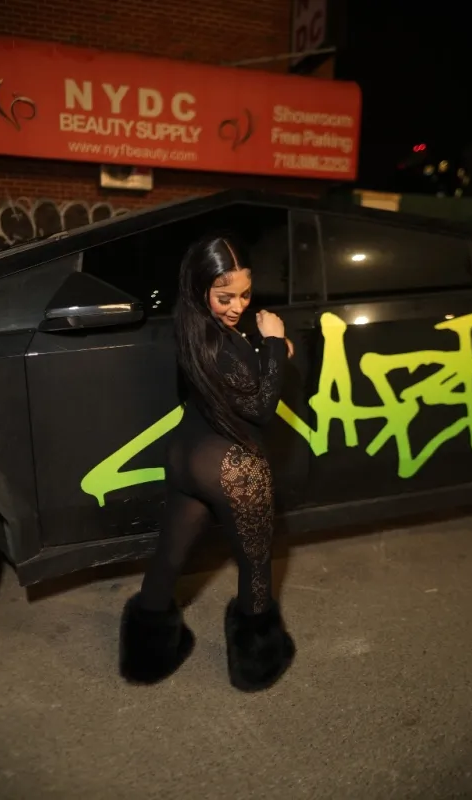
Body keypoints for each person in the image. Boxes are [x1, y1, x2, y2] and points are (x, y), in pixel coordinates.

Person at [119, 234, 295, 692]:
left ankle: (147, 656)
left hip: (184, 455)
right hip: (229, 465)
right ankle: (256, 664)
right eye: (225, 297)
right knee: (256, 567)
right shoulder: (219, 339)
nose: (237, 306)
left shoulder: (190, 324)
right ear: (201, 289)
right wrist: (275, 345)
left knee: (170, 554)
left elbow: (227, 382)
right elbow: (260, 409)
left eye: (245, 294)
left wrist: (266, 354)